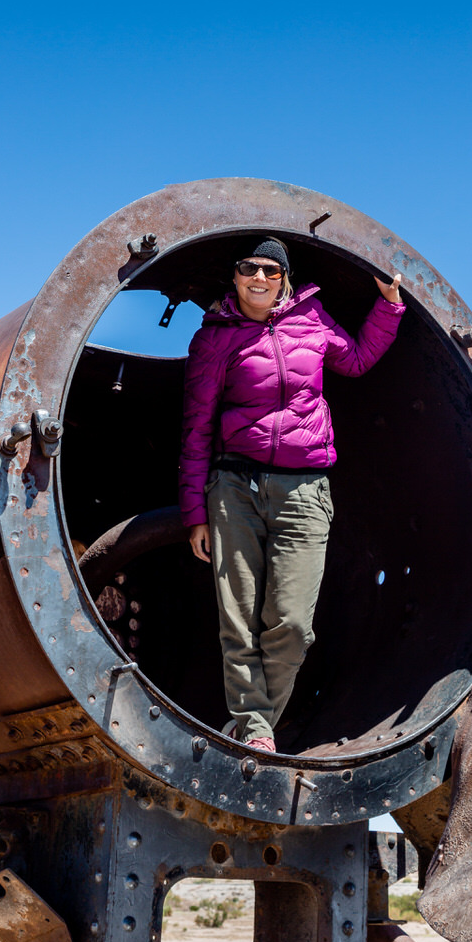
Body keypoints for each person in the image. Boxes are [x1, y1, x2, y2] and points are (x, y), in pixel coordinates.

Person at [179, 238, 405, 753]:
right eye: (248, 268)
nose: (258, 278)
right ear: (234, 277)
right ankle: (256, 731)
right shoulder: (215, 339)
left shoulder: (314, 319)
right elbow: (195, 429)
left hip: (304, 490)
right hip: (234, 487)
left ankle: (253, 721)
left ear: (284, 278)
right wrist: (196, 512)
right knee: (238, 619)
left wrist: (389, 307)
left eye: (270, 271)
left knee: (293, 624)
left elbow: (359, 360)